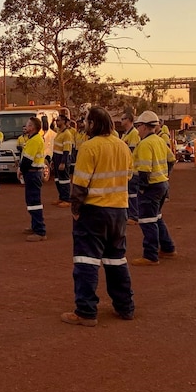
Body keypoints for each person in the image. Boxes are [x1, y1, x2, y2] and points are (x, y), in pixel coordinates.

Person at [62, 106, 134, 327]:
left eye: (85, 121)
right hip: (119, 212)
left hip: (94, 212)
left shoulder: (89, 147)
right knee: (116, 260)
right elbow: (129, 175)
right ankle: (125, 307)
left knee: (86, 261)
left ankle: (85, 311)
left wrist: (75, 210)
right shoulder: (122, 146)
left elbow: (80, 183)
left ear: (92, 124)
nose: (83, 125)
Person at [131, 111, 176, 266]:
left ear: (144, 126)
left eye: (138, 126)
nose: (137, 129)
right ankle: (168, 247)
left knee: (147, 220)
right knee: (156, 217)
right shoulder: (159, 140)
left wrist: (143, 187)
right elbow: (172, 159)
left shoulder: (145, 144)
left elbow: (144, 170)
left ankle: (150, 255)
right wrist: (165, 174)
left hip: (150, 186)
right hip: (162, 184)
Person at [19, 117, 47, 241]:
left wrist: (20, 170)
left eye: (28, 124)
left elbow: (27, 160)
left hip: (33, 173)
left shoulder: (34, 140)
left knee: (34, 202)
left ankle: (40, 231)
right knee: (31, 201)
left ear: (33, 127)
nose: (26, 126)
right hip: (32, 173)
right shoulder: (32, 139)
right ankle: (35, 226)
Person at [120, 113, 141, 224]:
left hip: (133, 169)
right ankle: (130, 214)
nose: (121, 121)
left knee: (132, 193)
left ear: (129, 120)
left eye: (123, 119)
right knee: (128, 193)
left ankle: (134, 215)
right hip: (126, 169)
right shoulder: (125, 134)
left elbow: (131, 151)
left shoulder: (134, 134)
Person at [51, 116, 74, 208]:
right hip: (56, 157)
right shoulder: (59, 132)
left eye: (58, 120)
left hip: (62, 158)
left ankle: (67, 199)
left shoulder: (67, 134)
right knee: (58, 179)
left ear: (64, 121)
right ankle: (61, 197)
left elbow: (66, 150)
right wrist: (53, 160)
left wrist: (63, 162)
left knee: (64, 180)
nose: (57, 122)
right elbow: (51, 128)